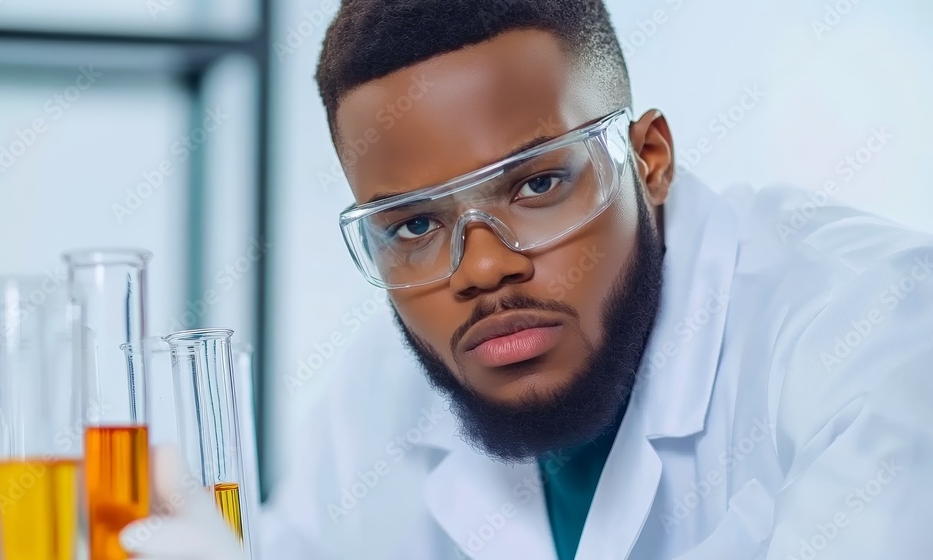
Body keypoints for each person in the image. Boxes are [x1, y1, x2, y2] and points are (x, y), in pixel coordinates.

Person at [121, 1, 933, 558]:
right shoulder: (383, 390)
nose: (482, 269)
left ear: (649, 158)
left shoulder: (878, 330)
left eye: (537, 184)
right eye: (414, 225)